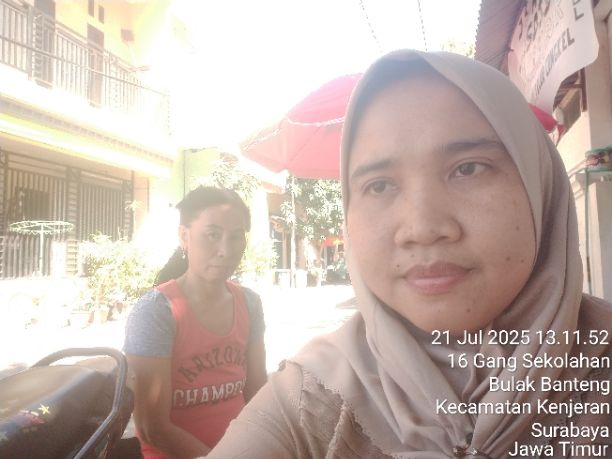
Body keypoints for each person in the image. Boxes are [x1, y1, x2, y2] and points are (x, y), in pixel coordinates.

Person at [205, 50, 612, 458]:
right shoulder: (309, 400)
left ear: (540, 186)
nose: (421, 229)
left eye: (468, 168)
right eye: (379, 185)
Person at [124, 186, 267, 459]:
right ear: (184, 236)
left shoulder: (249, 303)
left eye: (236, 237)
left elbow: (257, 395)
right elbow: (152, 427)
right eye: (213, 235)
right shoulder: (157, 312)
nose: (225, 250)